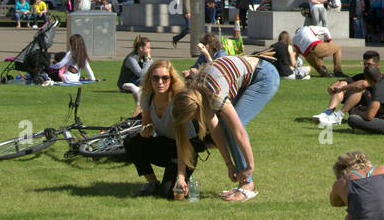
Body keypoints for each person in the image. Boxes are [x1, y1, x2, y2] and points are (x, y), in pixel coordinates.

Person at [173, 53, 281, 202]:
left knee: (235, 124)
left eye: (194, 118)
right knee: (225, 124)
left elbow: (239, 132)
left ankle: (248, 185)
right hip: (248, 76)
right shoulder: (196, 91)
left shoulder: (214, 94)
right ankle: (244, 183)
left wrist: (250, 166)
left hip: (264, 76)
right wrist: (229, 164)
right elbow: (216, 129)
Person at [124, 61, 207, 198]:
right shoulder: (147, 96)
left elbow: (182, 142)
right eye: (155, 78)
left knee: (169, 194)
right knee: (131, 141)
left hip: (185, 148)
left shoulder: (178, 101)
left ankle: (185, 175)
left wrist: (180, 176)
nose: (160, 82)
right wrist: (146, 132)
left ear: (172, 79)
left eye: (165, 78)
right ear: (150, 79)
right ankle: (152, 182)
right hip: (166, 144)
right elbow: (146, 125)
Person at [311, 50, 384, 125]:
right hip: (358, 108)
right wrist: (333, 86)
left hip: (372, 109)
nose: (366, 66)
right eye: (364, 64)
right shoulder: (362, 75)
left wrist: (341, 88)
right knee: (343, 83)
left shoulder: (381, 78)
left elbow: (363, 84)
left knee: (359, 89)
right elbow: (343, 81)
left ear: (377, 65)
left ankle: (339, 116)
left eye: (369, 64)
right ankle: (328, 112)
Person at [117, 35, 152, 107]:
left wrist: (149, 59)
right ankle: (136, 89)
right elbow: (141, 74)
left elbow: (152, 69)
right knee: (148, 80)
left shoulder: (143, 57)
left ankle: (140, 89)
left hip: (137, 80)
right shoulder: (131, 59)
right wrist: (148, 60)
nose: (150, 50)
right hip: (126, 83)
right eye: (148, 48)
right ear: (141, 48)